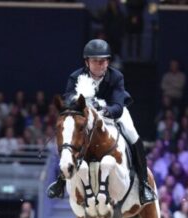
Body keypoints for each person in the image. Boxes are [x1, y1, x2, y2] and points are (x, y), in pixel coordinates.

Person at [47, 39, 156, 205]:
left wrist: (104, 110)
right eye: (96, 61)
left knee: (133, 135)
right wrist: (81, 102)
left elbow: (118, 106)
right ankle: (61, 182)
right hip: (85, 114)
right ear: (87, 62)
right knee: (69, 136)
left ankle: (143, 184)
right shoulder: (75, 77)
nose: (100, 65)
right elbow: (68, 100)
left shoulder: (116, 77)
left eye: (104, 61)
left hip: (111, 113)